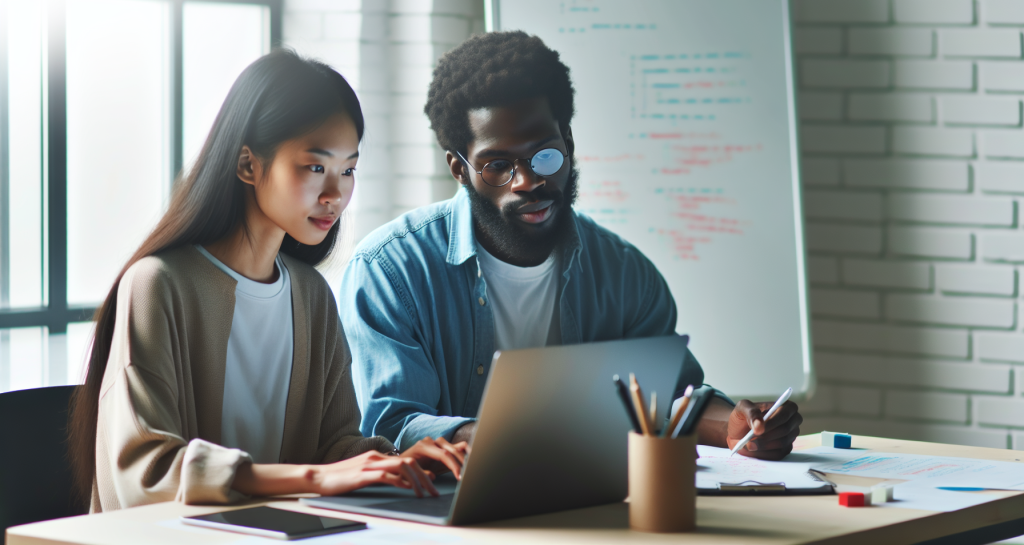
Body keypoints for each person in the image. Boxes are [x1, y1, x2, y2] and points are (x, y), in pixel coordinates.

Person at [339, 31, 802, 459]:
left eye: (546, 155)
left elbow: (669, 401)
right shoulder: (391, 272)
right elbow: (393, 423)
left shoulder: (626, 275)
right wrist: (496, 439)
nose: (529, 181)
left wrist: (734, 428)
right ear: (459, 169)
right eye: (498, 165)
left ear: (569, 142)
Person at [67, 50, 467, 513]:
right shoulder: (157, 285)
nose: (335, 194)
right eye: (315, 167)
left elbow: (333, 446)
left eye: (348, 169)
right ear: (248, 165)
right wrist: (316, 478)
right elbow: (146, 472)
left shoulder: (311, 296)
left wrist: (397, 460)